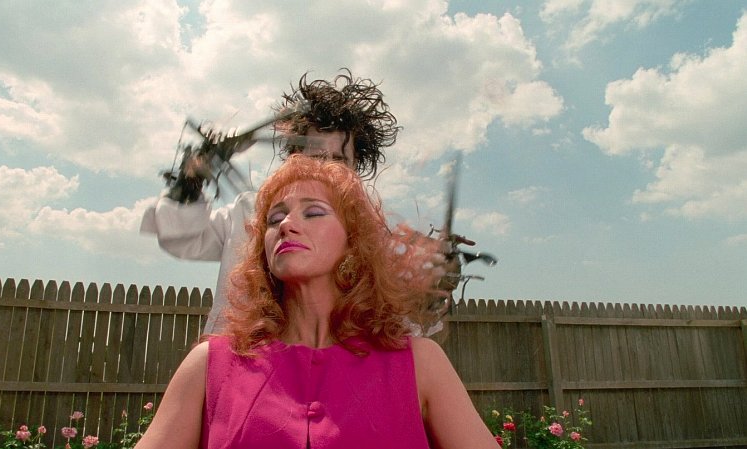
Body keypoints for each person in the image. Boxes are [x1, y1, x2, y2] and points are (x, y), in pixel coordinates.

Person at [134, 156, 499, 449]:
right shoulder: (210, 365)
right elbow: (174, 230)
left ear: (353, 243)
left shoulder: (420, 363)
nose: (287, 225)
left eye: (314, 212)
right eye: (275, 218)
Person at [140, 69, 400, 333]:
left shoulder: (371, 234)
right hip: (240, 353)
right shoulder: (248, 212)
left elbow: (398, 321)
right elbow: (179, 239)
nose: (325, 169)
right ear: (293, 159)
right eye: (315, 157)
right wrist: (190, 181)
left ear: (355, 167)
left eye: (338, 160)